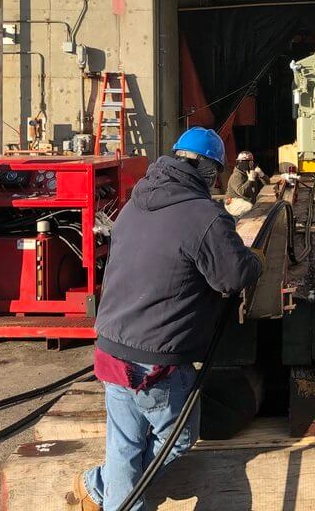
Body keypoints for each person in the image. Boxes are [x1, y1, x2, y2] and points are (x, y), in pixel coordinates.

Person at [73, 127, 264, 511]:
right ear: (209, 171)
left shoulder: (135, 202)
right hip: (156, 358)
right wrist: (254, 260)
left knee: (126, 442)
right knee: (175, 440)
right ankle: (105, 490)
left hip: (112, 344)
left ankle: (100, 489)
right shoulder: (203, 216)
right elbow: (232, 276)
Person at [225, 150, 267, 217]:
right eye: (247, 161)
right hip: (233, 202)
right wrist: (250, 180)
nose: (250, 164)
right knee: (248, 207)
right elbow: (241, 192)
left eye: (251, 161)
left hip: (247, 200)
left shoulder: (251, 172)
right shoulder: (236, 176)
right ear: (239, 162)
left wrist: (262, 175)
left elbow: (267, 184)